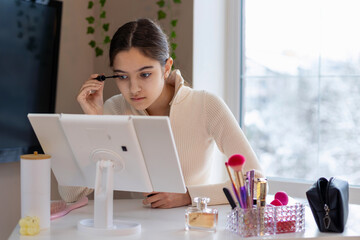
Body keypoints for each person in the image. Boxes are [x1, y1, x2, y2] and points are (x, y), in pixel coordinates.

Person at [59, 18, 264, 208]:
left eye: (145, 74)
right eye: (122, 77)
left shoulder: (205, 105)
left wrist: (187, 196)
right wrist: (95, 122)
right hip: (136, 229)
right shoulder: (115, 109)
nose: (133, 88)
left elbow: (255, 183)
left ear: (166, 68)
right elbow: (71, 195)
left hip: (193, 228)